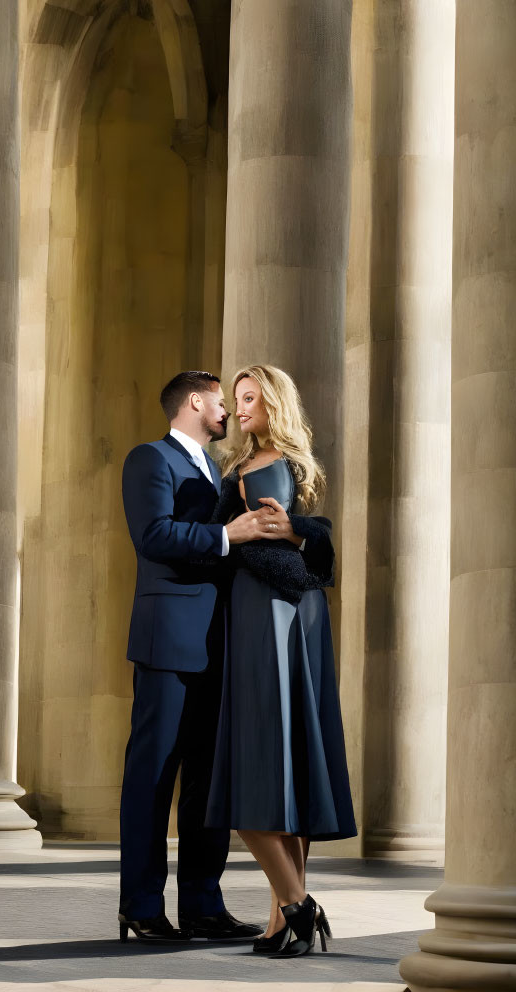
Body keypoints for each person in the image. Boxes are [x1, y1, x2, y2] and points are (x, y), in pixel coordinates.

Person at [206, 364, 357, 958]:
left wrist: (288, 532)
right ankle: (282, 920)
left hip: (271, 612)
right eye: (235, 400)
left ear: (273, 403)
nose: (239, 408)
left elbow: (279, 530)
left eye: (248, 399)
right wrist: (298, 534)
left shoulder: (267, 467)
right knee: (285, 760)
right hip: (277, 611)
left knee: (263, 762)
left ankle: (295, 908)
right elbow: (303, 535)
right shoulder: (256, 464)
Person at [117, 370, 269, 944]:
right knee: (153, 778)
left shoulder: (217, 469)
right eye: (221, 402)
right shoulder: (149, 460)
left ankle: (204, 904)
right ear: (194, 401)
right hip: (167, 641)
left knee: (208, 782)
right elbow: (153, 535)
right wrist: (230, 536)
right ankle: (141, 906)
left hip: (216, 643)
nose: (228, 411)